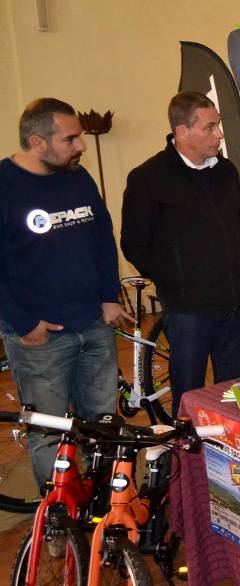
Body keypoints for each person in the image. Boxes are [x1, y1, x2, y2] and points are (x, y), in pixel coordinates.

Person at [0, 98, 132, 486]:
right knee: (51, 434)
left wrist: (110, 297)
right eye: (71, 138)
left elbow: (102, 239)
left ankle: (104, 513)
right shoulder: (4, 185)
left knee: (102, 426)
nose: (81, 145)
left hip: (93, 325)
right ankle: (60, 524)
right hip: (39, 338)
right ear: (38, 142)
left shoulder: (78, 178)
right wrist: (24, 324)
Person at [121, 91, 240, 417]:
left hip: (233, 302)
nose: (219, 134)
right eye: (210, 127)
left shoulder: (227, 171)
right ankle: (188, 462)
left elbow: (235, 227)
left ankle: (232, 458)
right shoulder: (148, 178)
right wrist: (175, 279)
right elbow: (134, 243)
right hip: (188, 310)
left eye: (218, 125)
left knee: (236, 394)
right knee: (190, 395)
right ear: (182, 132)